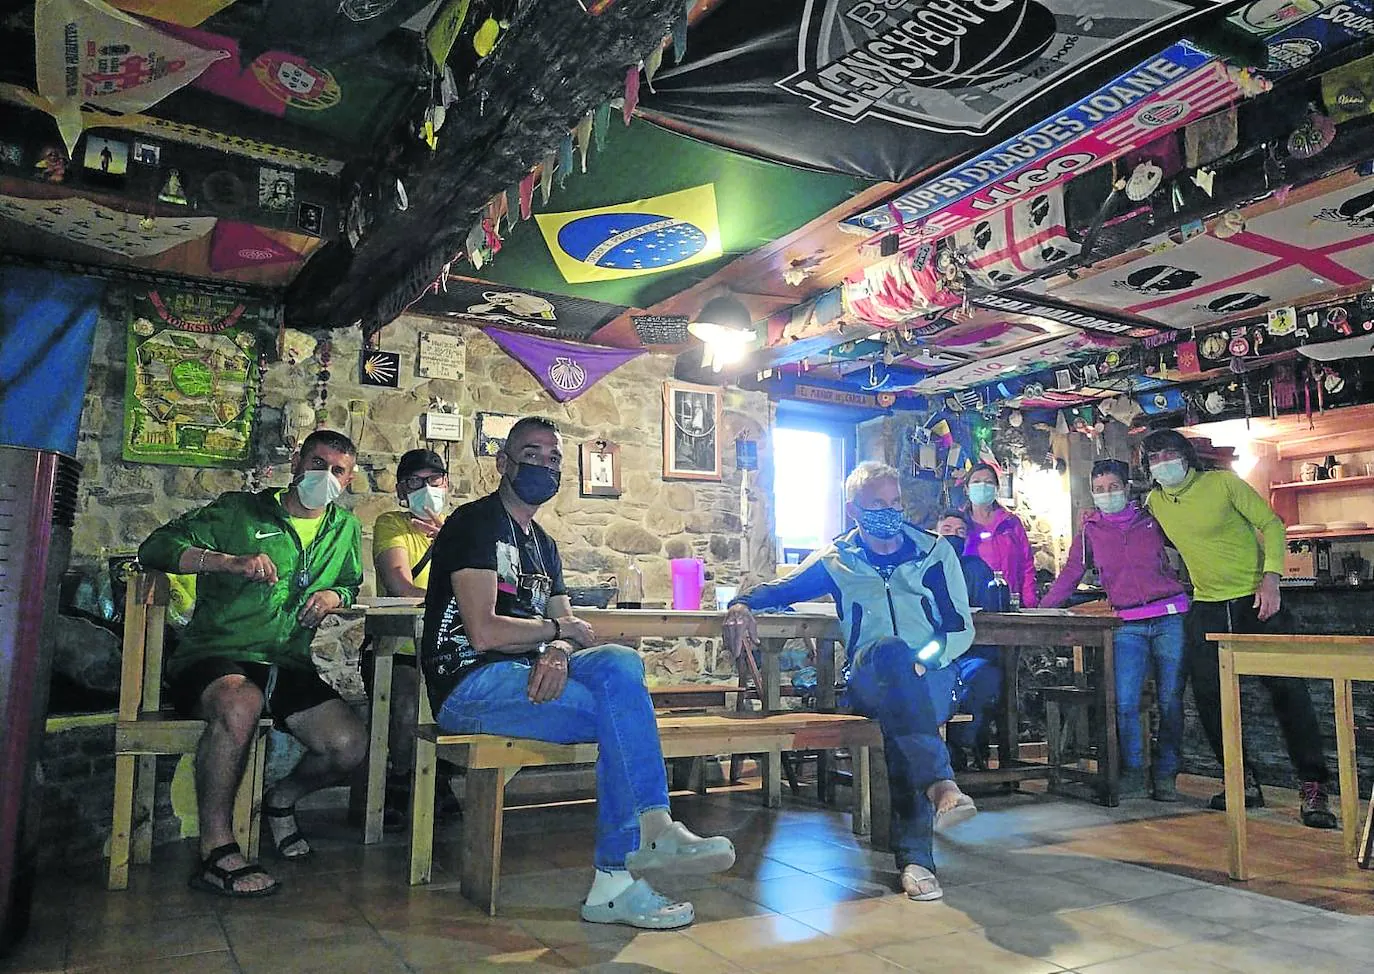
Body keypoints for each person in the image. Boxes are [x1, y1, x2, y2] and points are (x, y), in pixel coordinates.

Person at [421, 416, 735, 929]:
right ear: (503, 463)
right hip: (469, 683)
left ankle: (651, 829)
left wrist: (561, 646)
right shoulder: (473, 524)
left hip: (529, 674)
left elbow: (568, 625)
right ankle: (618, 873)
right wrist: (554, 635)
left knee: (620, 661)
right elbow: (483, 632)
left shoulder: (543, 544)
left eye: (553, 457)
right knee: (621, 713)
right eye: (531, 454)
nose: (544, 465)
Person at [724, 462, 978, 903]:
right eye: (878, 504)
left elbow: (960, 628)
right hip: (868, 675)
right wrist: (741, 604)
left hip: (932, 673)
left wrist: (924, 662)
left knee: (903, 711)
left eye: (895, 502)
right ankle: (938, 791)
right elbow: (779, 591)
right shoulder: (837, 560)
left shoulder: (934, 553)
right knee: (891, 654)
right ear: (853, 509)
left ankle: (918, 856)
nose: (890, 511)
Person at [138, 429, 367, 897]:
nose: (325, 476)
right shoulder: (239, 510)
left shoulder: (343, 529)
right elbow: (155, 547)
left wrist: (333, 594)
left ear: (349, 479)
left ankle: (281, 801)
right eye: (318, 464)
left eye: (338, 471)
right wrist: (224, 562)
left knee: (349, 745)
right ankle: (216, 849)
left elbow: (350, 582)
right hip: (215, 654)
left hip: (287, 661)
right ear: (296, 462)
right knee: (240, 702)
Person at [1141, 429, 1336, 827]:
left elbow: (1273, 524)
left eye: (1168, 454)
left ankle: (1314, 787)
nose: (1162, 462)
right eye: (1153, 457)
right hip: (1207, 606)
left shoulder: (1224, 483)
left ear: (1186, 455)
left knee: (1288, 693)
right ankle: (1241, 780)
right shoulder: (1155, 502)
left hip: (1255, 601)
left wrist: (1271, 579)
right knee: (1210, 698)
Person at [1042, 459, 1190, 800]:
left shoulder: (1153, 518)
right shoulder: (1089, 530)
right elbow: (1070, 574)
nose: (1106, 495)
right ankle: (1134, 771)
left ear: (1127, 487)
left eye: (1112, 487)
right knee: (1123, 702)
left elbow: (1191, 544)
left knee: (1171, 700)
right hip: (1125, 623)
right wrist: (1042, 608)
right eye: (1099, 489)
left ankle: (1166, 773)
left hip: (1170, 615)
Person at [369, 449, 458, 830]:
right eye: (415, 482)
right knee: (406, 706)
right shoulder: (392, 525)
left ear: (446, 484)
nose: (426, 489)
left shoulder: (462, 529)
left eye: (433, 481)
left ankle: (438, 778)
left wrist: (452, 542)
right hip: (401, 646)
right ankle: (402, 779)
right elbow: (400, 586)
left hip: (451, 648)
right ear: (401, 491)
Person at [934, 510, 1000, 772]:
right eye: (946, 529)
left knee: (985, 676)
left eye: (960, 532)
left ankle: (961, 746)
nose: (952, 536)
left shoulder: (977, 568)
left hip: (970, 650)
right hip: (931, 652)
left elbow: (989, 609)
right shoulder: (918, 566)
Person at [963, 462, 1039, 608]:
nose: (983, 486)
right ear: (967, 489)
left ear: (997, 489)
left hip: (1008, 602)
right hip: (970, 605)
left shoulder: (1011, 523)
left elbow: (1027, 564)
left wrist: (1029, 602)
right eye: (976, 482)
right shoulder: (960, 524)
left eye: (989, 482)